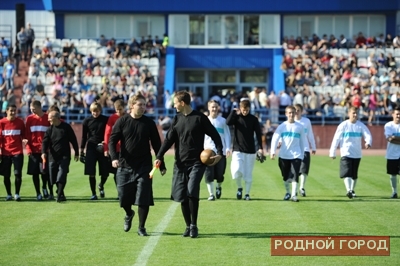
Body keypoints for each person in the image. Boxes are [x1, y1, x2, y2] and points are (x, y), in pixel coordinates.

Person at [154, 90, 223, 238]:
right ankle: (187, 225)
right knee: (182, 196)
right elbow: (169, 140)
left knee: (192, 191)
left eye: (175, 103)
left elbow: (215, 135)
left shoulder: (200, 118)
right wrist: (159, 155)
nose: (174, 105)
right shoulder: (177, 118)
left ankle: (194, 225)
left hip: (197, 163)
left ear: (182, 103)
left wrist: (220, 152)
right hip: (180, 164)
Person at [109, 94, 166, 237]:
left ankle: (142, 227)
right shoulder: (122, 121)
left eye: (144, 104)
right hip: (124, 166)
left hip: (144, 166)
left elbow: (157, 144)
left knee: (143, 198)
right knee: (123, 199)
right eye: (140, 104)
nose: (143, 107)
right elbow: (112, 141)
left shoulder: (149, 123)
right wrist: (114, 158)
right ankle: (129, 213)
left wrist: (161, 162)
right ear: (132, 105)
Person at [329, 106, 372, 199]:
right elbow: (336, 139)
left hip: (357, 153)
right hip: (346, 152)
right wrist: (332, 152)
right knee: (347, 172)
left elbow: (367, 134)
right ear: (348, 114)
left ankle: (352, 190)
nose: (355, 115)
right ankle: (348, 190)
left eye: (356, 113)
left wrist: (368, 142)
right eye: (353, 113)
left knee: (354, 174)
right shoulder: (343, 125)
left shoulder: (360, 125)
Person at [226, 99, 263, 201]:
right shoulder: (236, 118)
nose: (245, 112)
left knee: (248, 174)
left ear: (249, 109)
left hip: (250, 150)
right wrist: (233, 112)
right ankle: (239, 187)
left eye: (246, 110)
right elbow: (228, 122)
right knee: (236, 170)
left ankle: (247, 194)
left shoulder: (253, 119)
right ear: (240, 108)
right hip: (237, 149)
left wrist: (260, 148)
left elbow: (258, 134)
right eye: (243, 110)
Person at [41, 111, 79, 202]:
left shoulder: (66, 127)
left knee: (61, 175)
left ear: (57, 117)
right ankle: (61, 193)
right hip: (52, 156)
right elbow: (45, 142)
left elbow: (73, 140)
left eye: (50, 117)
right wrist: (43, 152)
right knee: (52, 178)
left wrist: (77, 152)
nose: (48, 119)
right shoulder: (49, 129)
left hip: (64, 156)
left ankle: (58, 196)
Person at [270, 105, 305, 202]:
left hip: (296, 155)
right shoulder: (282, 126)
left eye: (293, 112)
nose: (291, 114)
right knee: (285, 176)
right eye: (289, 113)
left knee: (295, 175)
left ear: (295, 113)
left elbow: (303, 142)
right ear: (286, 114)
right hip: (284, 155)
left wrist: (302, 155)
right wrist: (273, 151)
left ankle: (294, 195)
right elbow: (275, 138)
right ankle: (288, 192)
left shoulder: (300, 127)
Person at [80, 102, 109, 200]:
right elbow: (84, 137)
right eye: (93, 111)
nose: (95, 113)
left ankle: (101, 184)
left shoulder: (106, 120)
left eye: (97, 111)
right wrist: (81, 151)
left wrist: (106, 145)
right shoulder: (86, 121)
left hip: (102, 147)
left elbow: (109, 133)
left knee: (105, 172)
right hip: (91, 147)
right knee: (91, 172)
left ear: (100, 110)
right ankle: (93, 193)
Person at [204, 100, 231, 201]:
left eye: (216, 107)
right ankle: (211, 194)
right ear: (209, 108)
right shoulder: (204, 120)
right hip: (208, 152)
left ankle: (218, 186)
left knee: (220, 175)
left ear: (218, 108)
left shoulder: (223, 121)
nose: (214, 109)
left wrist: (228, 147)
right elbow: (202, 137)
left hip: (221, 152)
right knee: (208, 174)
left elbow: (227, 135)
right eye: (212, 107)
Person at [24, 100, 52, 200]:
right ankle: (38, 193)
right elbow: (26, 135)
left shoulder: (47, 118)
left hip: (45, 151)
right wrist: (28, 149)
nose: (32, 111)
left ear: (39, 107)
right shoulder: (29, 119)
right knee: (35, 173)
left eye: (34, 109)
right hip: (33, 150)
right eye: (31, 109)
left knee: (44, 172)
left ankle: (44, 187)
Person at [0, 105, 26, 201]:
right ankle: (8, 194)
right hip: (5, 153)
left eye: (14, 111)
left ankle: (17, 194)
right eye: (11, 111)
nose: (13, 112)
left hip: (17, 152)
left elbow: (24, 135)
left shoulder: (20, 122)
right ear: (6, 111)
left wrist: (24, 140)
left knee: (17, 174)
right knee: (6, 175)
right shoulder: (1, 123)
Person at [103, 99, 126, 198]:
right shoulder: (112, 118)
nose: (118, 112)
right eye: (117, 110)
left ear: (124, 108)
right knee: (117, 171)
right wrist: (106, 148)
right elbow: (107, 134)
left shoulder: (128, 117)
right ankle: (120, 192)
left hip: (127, 148)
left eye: (120, 109)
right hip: (116, 148)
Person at [293, 104, 316, 197]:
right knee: (294, 171)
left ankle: (301, 188)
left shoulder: (306, 121)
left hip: (305, 149)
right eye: (295, 110)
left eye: (298, 110)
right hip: (294, 150)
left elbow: (310, 134)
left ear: (301, 111)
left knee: (304, 170)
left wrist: (313, 147)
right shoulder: (291, 122)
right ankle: (294, 189)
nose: (297, 112)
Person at [383, 106, 400, 198]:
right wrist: (392, 138)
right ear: (393, 114)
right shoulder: (388, 125)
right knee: (393, 174)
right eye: (397, 114)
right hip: (392, 154)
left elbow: (392, 138)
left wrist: (394, 138)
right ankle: (394, 192)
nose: (398, 116)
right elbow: (389, 139)